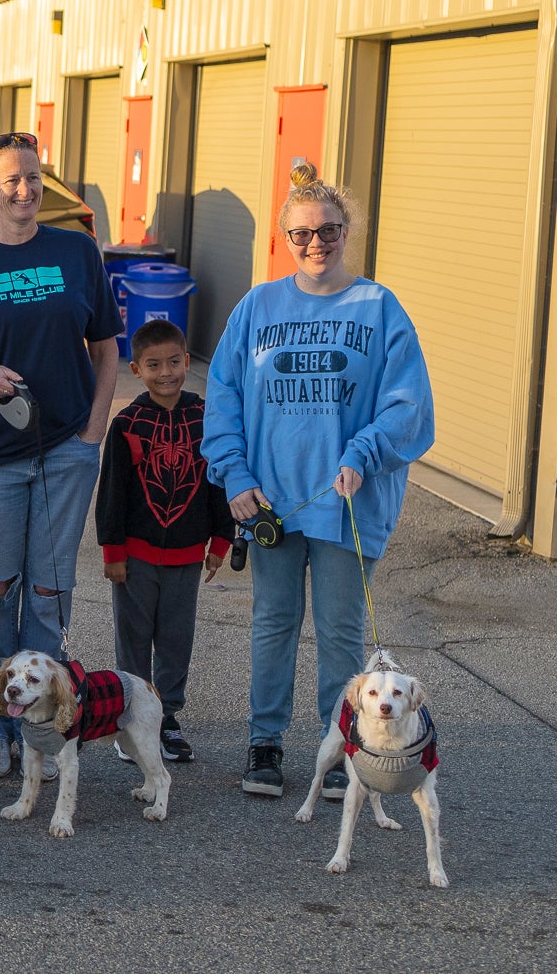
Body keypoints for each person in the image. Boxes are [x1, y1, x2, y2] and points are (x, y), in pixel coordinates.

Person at [204, 162, 434, 801]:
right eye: (302, 233)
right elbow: (222, 394)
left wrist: (366, 450)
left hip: (343, 503)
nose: (316, 243)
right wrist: (234, 476)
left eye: (328, 230)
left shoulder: (379, 307)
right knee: (274, 620)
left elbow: (408, 402)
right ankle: (265, 741)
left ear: (346, 230)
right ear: (285, 237)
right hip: (270, 499)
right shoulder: (258, 306)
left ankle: (343, 745)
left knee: (340, 629)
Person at [0, 132, 121, 779]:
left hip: (67, 449)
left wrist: (93, 432)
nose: (26, 189)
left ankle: (42, 722)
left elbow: (106, 346)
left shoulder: (75, 249)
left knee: (48, 590)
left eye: (34, 176)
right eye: (11, 179)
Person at [94, 318, 235, 766]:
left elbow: (218, 482)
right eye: (154, 365)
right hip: (134, 555)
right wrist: (112, 551)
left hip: (187, 555)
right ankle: (132, 719)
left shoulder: (205, 418)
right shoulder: (128, 424)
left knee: (176, 637)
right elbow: (112, 491)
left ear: (188, 362)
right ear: (136, 369)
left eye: (174, 362)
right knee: (134, 637)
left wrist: (220, 539)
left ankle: (167, 718)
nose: (166, 372)